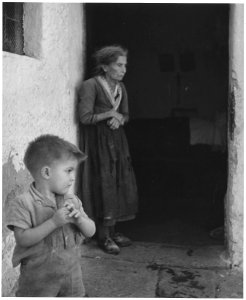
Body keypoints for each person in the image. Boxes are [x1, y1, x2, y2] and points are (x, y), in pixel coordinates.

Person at [5, 134, 96, 297]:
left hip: (72, 281)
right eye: (68, 170)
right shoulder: (23, 203)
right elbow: (22, 239)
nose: (73, 177)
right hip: (39, 285)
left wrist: (80, 220)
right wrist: (53, 223)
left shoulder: (71, 200)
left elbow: (91, 231)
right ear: (46, 172)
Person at [78, 45, 138, 255]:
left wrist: (120, 119)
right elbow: (85, 117)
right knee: (105, 184)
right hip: (99, 143)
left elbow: (126, 115)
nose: (123, 70)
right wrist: (109, 114)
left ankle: (115, 230)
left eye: (125, 65)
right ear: (104, 67)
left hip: (117, 142)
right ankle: (104, 237)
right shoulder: (91, 86)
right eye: (119, 65)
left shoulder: (121, 88)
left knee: (119, 182)